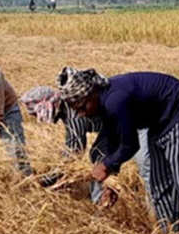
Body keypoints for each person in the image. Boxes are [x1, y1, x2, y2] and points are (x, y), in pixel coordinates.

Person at [56, 67, 179, 234]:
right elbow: (115, 140)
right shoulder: (102, 104)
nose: (83, 113)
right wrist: (111, 181)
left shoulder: (115, 99)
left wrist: (106, 166)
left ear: (92, 93)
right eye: (77, 110)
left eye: (83, 106)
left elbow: (130, 144)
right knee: (159, 186)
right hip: (158, 122)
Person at [20, 86, 152, 203]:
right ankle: (99, 199)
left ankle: (156, 209)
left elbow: (74, 150)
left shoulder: (73, 114)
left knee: (145, 164)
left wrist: (48, 179)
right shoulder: (68, 108)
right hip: (113, 125)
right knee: (97, 154)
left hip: (137, 120)